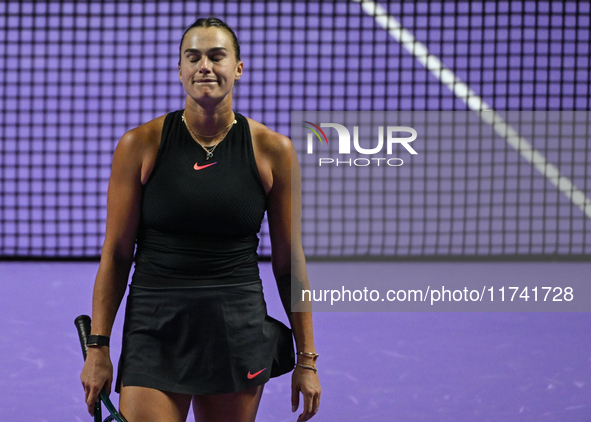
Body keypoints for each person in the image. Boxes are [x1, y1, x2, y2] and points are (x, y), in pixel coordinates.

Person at [80, 17, 320, 422]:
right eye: (193, 57)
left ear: (238, 68)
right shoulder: (139, 145)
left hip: (235, 328)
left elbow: (289, 264)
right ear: (180, 70)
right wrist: (98, 347)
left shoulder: (273, 151)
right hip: (155, 326)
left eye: (216, 56)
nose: (204, 66)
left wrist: (307, 360)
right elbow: (117, 254)